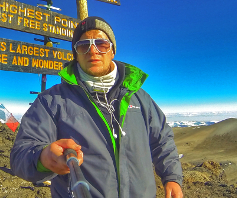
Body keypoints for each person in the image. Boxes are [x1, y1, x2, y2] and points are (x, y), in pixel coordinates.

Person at [10, 16, 183, 198]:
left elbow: (162, 140)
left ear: (112, 51)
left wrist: (171, 177)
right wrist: (43, 158)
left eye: (101, 44)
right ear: (76, 55)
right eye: (83, 46)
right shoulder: (51, 101)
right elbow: (20, 154)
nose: (93, 51)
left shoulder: (140, 98)